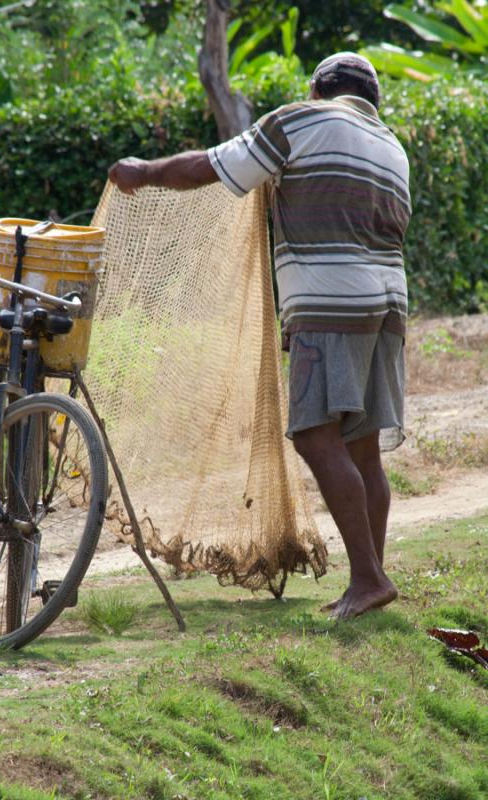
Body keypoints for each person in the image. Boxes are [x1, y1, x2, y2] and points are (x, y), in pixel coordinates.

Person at [108, 52, 411, 619]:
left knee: (316, 437)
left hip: (329, 306)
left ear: (318, 91)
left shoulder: (302, 120)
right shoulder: (391, 146)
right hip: (389, 307)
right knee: (363, 447)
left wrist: (144, 172)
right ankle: (373, 579)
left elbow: (211, 166)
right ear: (372, 101)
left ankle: (368, 578)